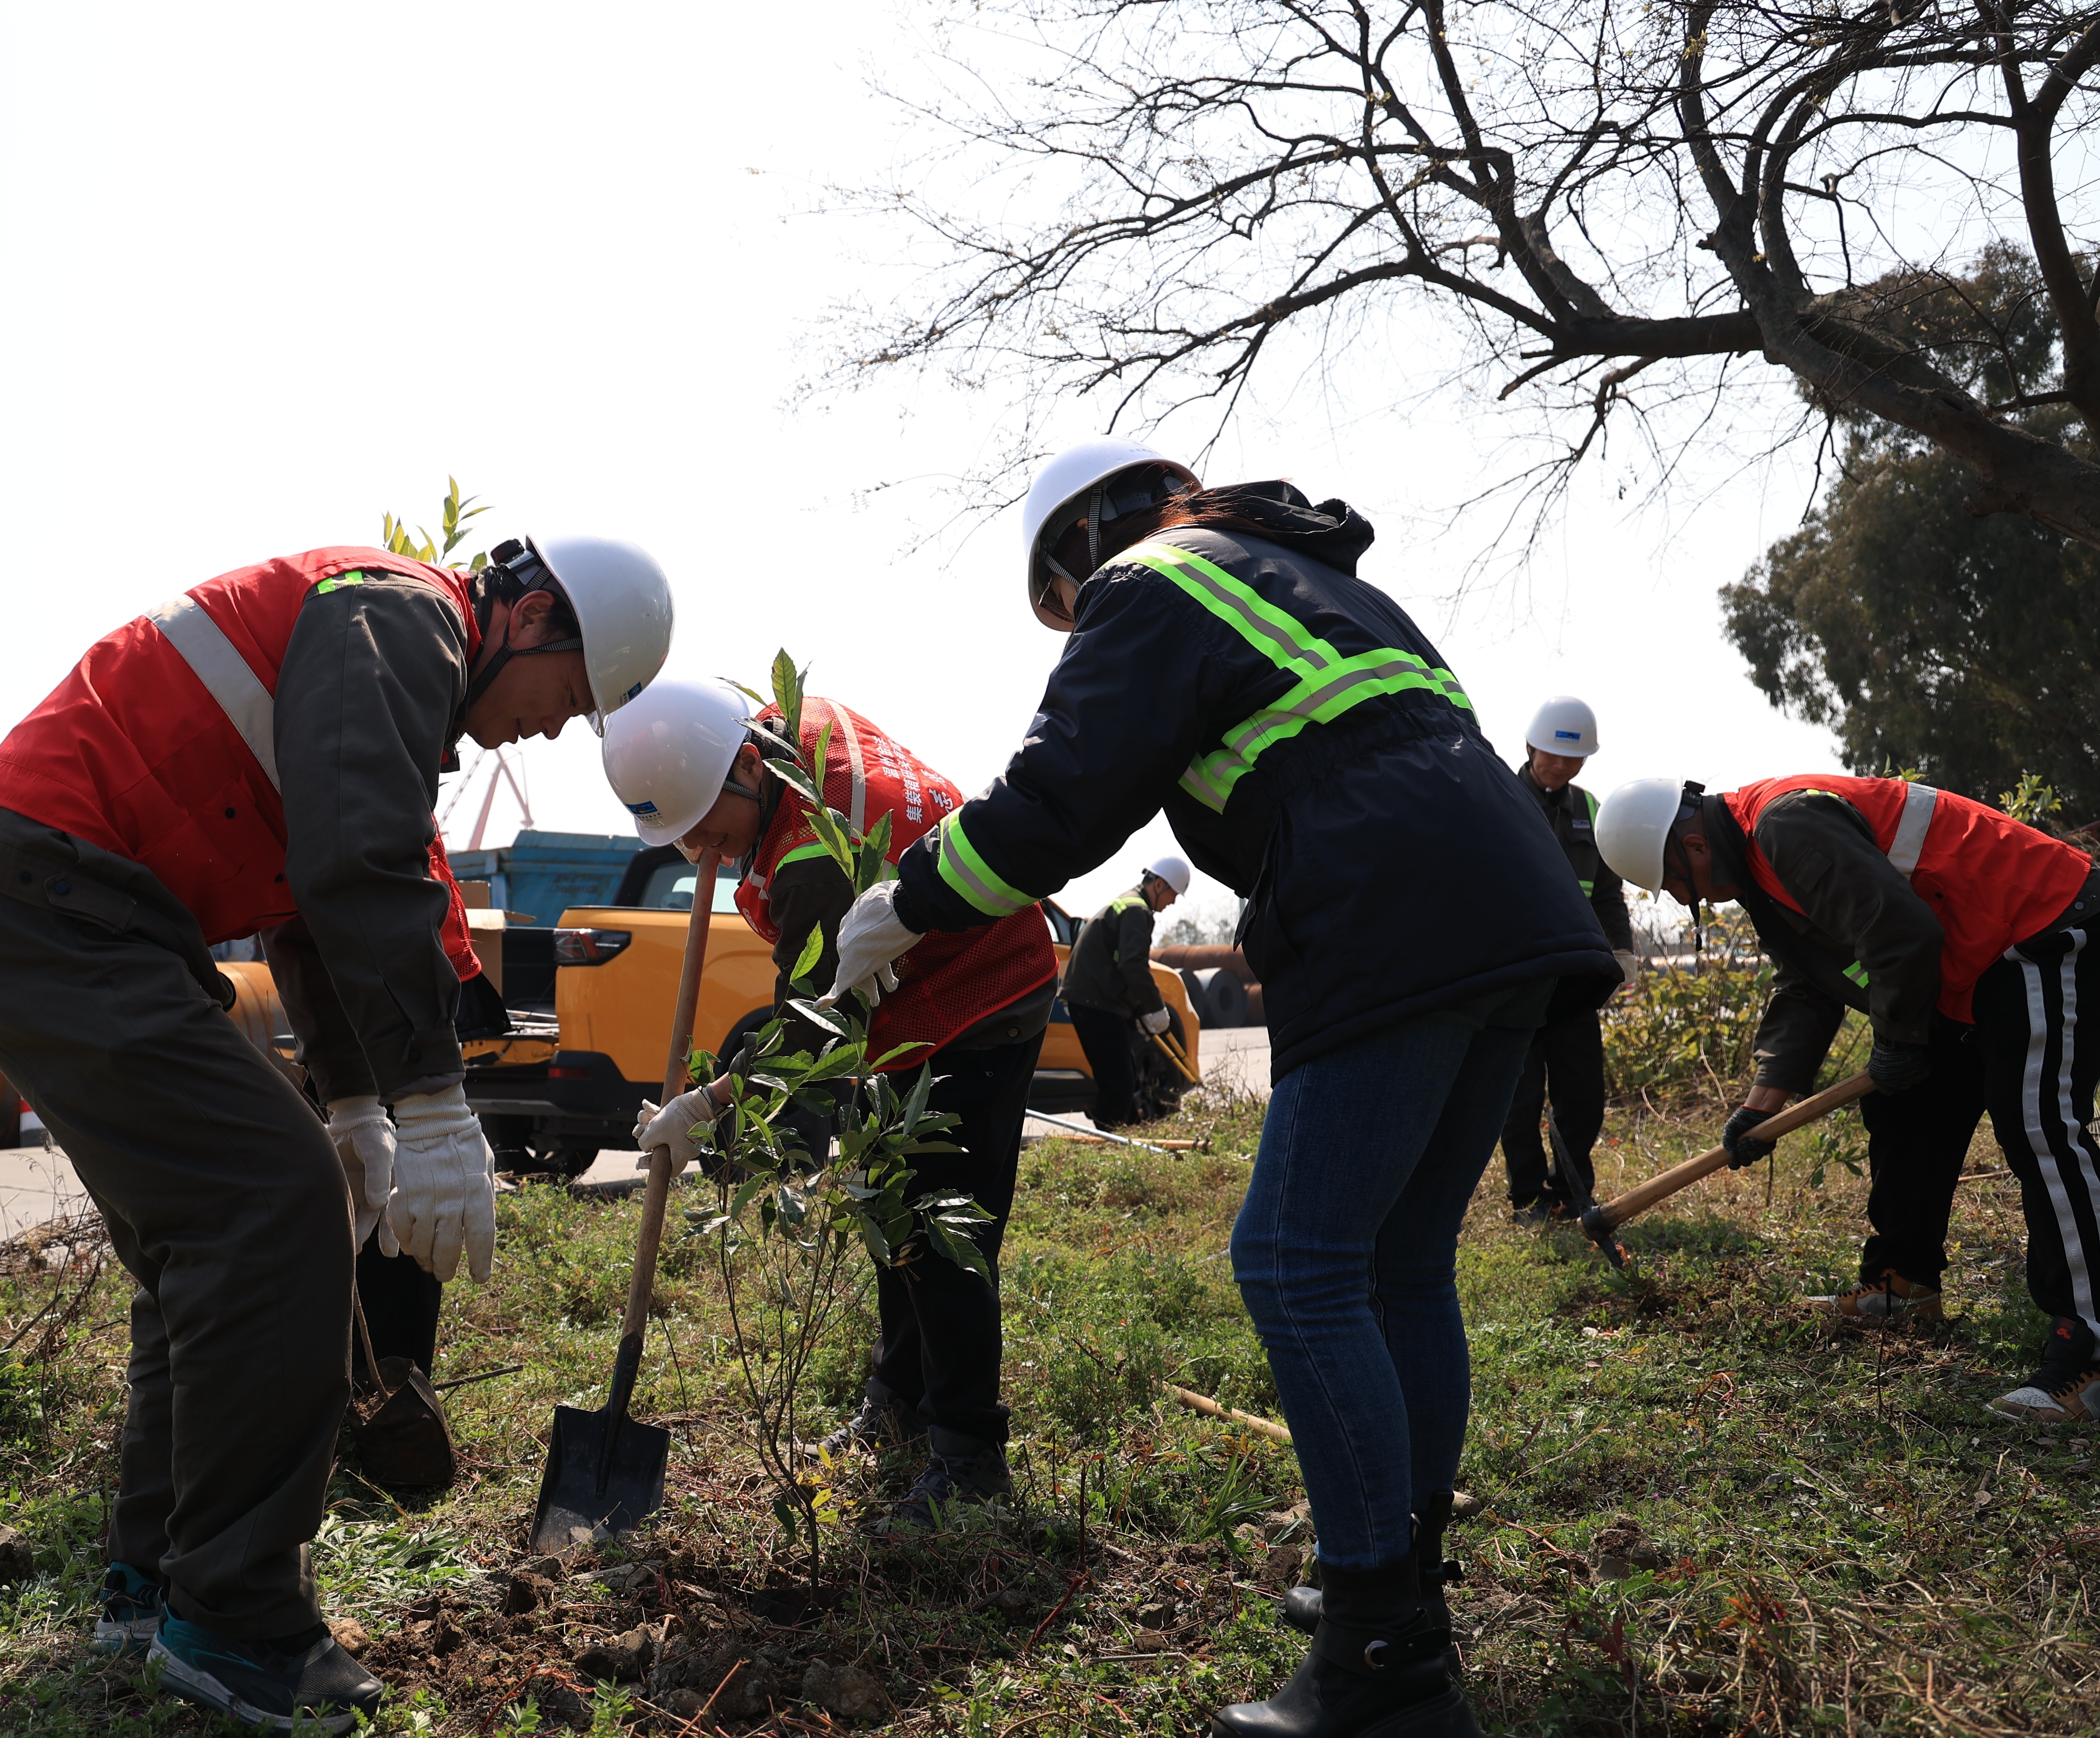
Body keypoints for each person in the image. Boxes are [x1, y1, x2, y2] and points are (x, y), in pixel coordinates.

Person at [823, 438, 1616, 1738]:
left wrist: (900, 907)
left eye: (1059, 610)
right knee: (1402, 1264)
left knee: (1296, 1263)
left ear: (1080, 547)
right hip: (1507, 903)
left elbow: (1055, 805)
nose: (1073, 632)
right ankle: (1404, 1593)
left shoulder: (1146, 582)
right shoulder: (1306, 580)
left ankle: (1381, 1663)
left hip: (1390, 905)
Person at [0, 535, 672, 1732]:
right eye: (568, 699)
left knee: (205, 1245)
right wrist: (428, 1102)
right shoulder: (399, 616)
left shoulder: (373, 648)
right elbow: (358, 863)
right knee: (275, 1215)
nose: (545, 730)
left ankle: (154, 1579)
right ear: (528, 620)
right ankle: (238, 1619)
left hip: (55, 909)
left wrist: (358, 1102)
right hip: (55, 906)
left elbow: (307, 909)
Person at [608, 677, 1059, 1518]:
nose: (700, 850)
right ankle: (898, 1400)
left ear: (747, 766)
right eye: (681, 839)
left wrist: (702, 1107)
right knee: (894, 1203)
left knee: (939, 1220)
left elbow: (810, 1030)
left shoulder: (813, 858)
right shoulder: (776, 730)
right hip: (912, 997)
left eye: (706, 827)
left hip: (983, 991)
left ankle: (968, 1458)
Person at [1596, 774, 2100, 1421]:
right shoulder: (1759, 868)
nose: (1689, 899)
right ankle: (1904, 1285)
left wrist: (1896, 1040)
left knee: (2039, 1128)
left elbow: (1900, 934)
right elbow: (1807, 986)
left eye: (1677, 887)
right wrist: (1761, 1106)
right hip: (1972, 964)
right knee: (1907, 1104)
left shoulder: (1785, 828)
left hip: (2039, 925)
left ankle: (2089, 1350)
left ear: (1693, 846)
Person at [1499, 697, 1640, 1219]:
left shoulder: (1590, 811)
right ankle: (1527, 1196)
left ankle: (1571, 1190)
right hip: (1513, 977)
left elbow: (1607, 891)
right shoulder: (1499, 799)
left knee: (1583, 1094)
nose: (1561, 767)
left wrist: (1621, 949)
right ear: (1532, 748)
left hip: (1574, 981)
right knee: (1519, 1095)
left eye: (1573, 759)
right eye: (1553, 756)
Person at [1064, 855, 1192, 1129]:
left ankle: (1118, 1138)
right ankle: (1110, 1144)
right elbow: (1133, 966)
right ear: (1159, 885)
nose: (1172, 903)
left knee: (1123, 1077)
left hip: (1095, 1001)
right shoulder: (1137, 911)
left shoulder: (1128, 904)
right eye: (1173, 895)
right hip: (1096, 1004)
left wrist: (1137, 1015)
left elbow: (1120, 967)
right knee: (1119, 1083)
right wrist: (1155, 1009)